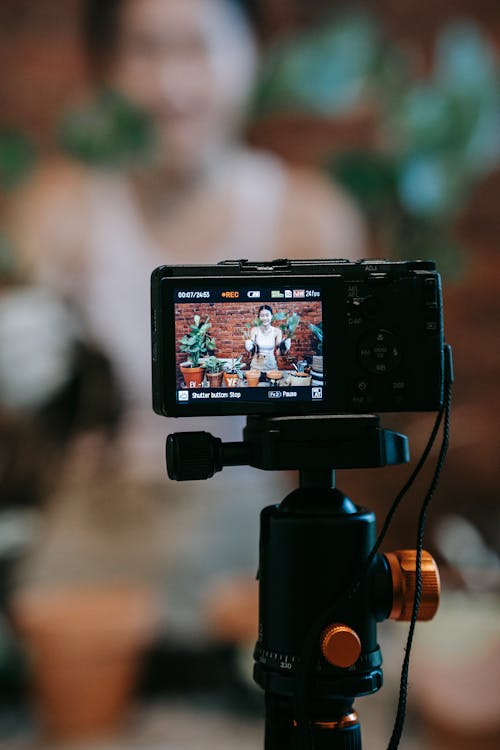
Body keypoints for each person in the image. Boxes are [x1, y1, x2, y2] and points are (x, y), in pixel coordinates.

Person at [7, 0, 366, 642]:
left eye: (198, 48)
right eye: (144, 51)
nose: (170, 85)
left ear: (252, 56)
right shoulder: (55, 211)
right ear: (104, 71)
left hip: (247, 531)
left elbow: (351, 419)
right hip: (95, 529)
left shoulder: (310, 219)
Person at [244, 305, 286, 372]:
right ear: (259, 317)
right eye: (262, 316)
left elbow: (278, 353)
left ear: (271, 316)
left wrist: (284, 347)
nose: (265, 318)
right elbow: (252, 351)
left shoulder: (277, 331)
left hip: (271, 367)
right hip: (256, 367)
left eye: (267, 315)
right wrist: (249, 346)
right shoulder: (254, 330)